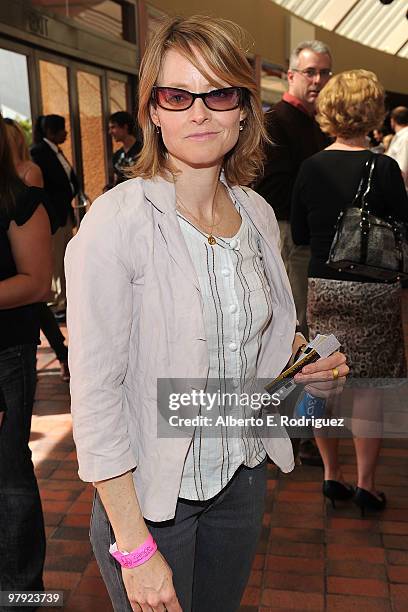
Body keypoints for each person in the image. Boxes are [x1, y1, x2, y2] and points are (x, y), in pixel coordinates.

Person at [66, 16, 347, 612]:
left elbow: (256, 352)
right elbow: (95, 400)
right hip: (149, 504)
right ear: (154, 111)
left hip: (240, 482)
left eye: (219, 93)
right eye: (178, 95)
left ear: (244, 110)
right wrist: (137, 551)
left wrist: (304, 371)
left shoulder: (257, 215)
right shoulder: (117, 224)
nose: (199, 113)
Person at [291, 70, 408, 517]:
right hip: (375, 291)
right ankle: (366, 485)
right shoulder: (386, 168)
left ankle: (329, 475)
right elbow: (402, 229)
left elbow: (300, 233)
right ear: (372, 111)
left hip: (324, 287)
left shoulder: (311, 167)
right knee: (369, 392)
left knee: (324, 383)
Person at [0, 112, 52, 605]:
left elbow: (36, 283)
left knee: (7, 472)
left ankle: (20, 593)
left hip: (5, 353)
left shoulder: (20, 202)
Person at [255, 40, 332, 339]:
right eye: (310, 72)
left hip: (304, 235)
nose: (317, 80)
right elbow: (271, 188)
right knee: (294, 323)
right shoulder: (276, 119)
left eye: (324, 73)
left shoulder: (312, 123)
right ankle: (293, 386)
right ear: (291, 75)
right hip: (287, 232)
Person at [5, 118, 70, 381]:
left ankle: (63, 355)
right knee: (39, 308)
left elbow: (32, 215)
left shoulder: (28, 172)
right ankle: (63, 354)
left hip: (26, 253)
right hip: (13, 260)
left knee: (38, 304)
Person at [31, 114, 79, 319]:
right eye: (63, 129)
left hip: (64, 213)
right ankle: (59, 302)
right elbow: (41, 188)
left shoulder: (56, 150)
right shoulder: (39, 152)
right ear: (51, 131)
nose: (66, 133)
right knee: (57, 258)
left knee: (66, 256)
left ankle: (65, 300)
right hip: (54, 217)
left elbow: (69, 179)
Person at [108, 111, 142, 187]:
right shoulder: (117, 156)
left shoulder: (143, 151)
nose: (110, 132)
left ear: (125, 127)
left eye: (113, 127)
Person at [387, 106, 408, 191]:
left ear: (392, 120)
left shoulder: (405, 137)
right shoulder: (400, 136)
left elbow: (402, 171)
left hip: (401, 191)